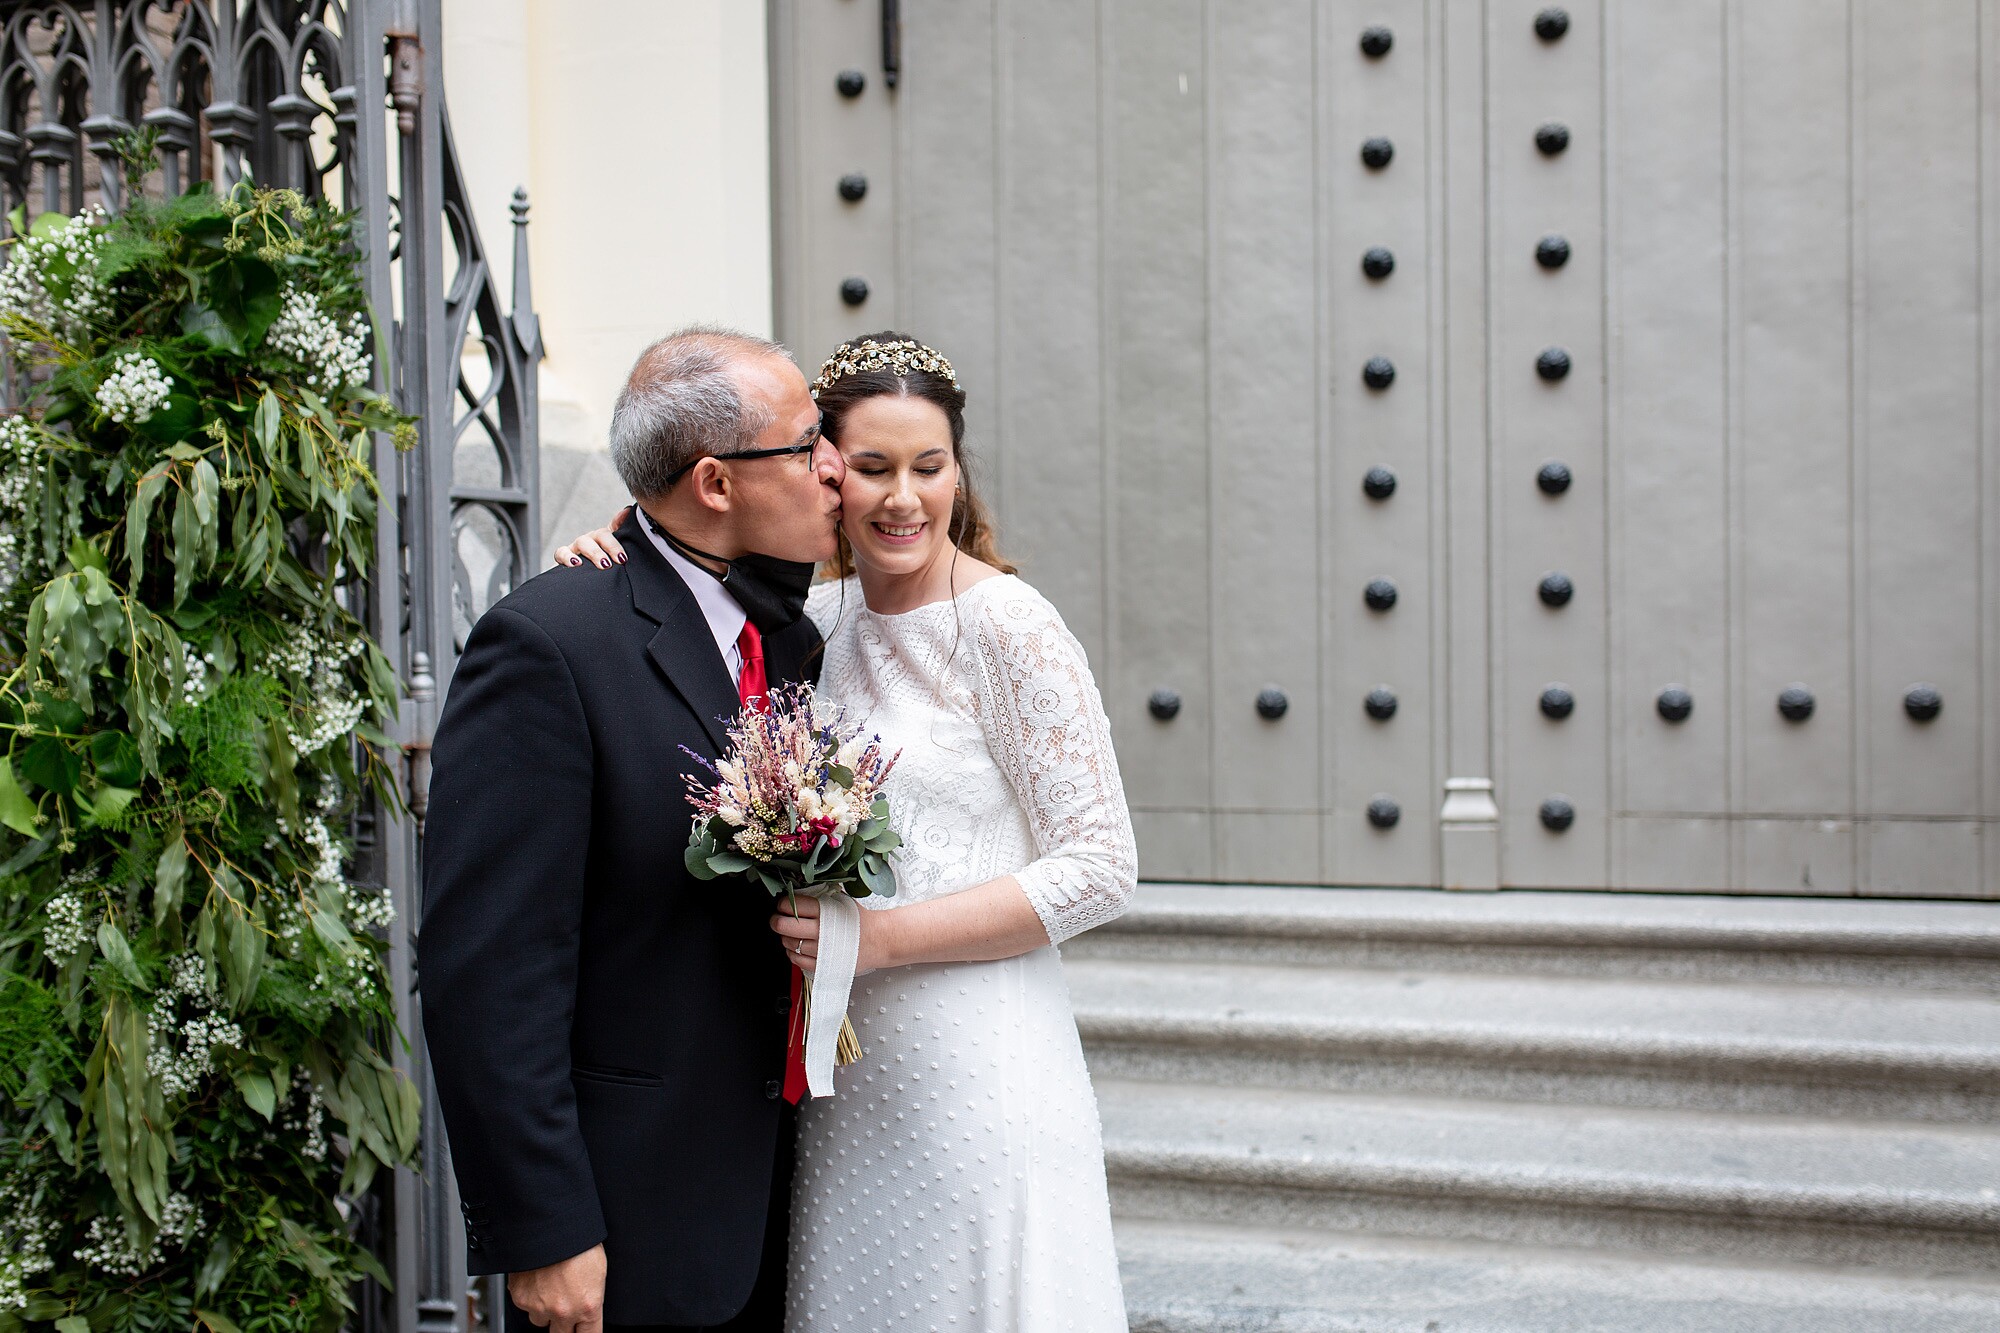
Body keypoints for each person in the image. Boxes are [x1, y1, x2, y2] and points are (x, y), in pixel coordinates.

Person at [554, 332, 1135, 1332]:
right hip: (843, 1095)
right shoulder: (808, 622)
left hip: (980, 1073)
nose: (902, 497)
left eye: (928, 466)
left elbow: (1098, 867)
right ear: (825, 472)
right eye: (871, 468)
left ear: (959, 470)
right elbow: (677, 584)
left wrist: (881, 939)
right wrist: (610, 554)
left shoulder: (1007, 624)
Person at [420, 326, 845, 1333]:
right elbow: (489, 968)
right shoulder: (549, 643)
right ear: (713, 481)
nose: (832, 464)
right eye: (806, 441)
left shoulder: (789, 637)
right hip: (628, 1218)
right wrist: (545, 1229)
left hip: (790, 1192)